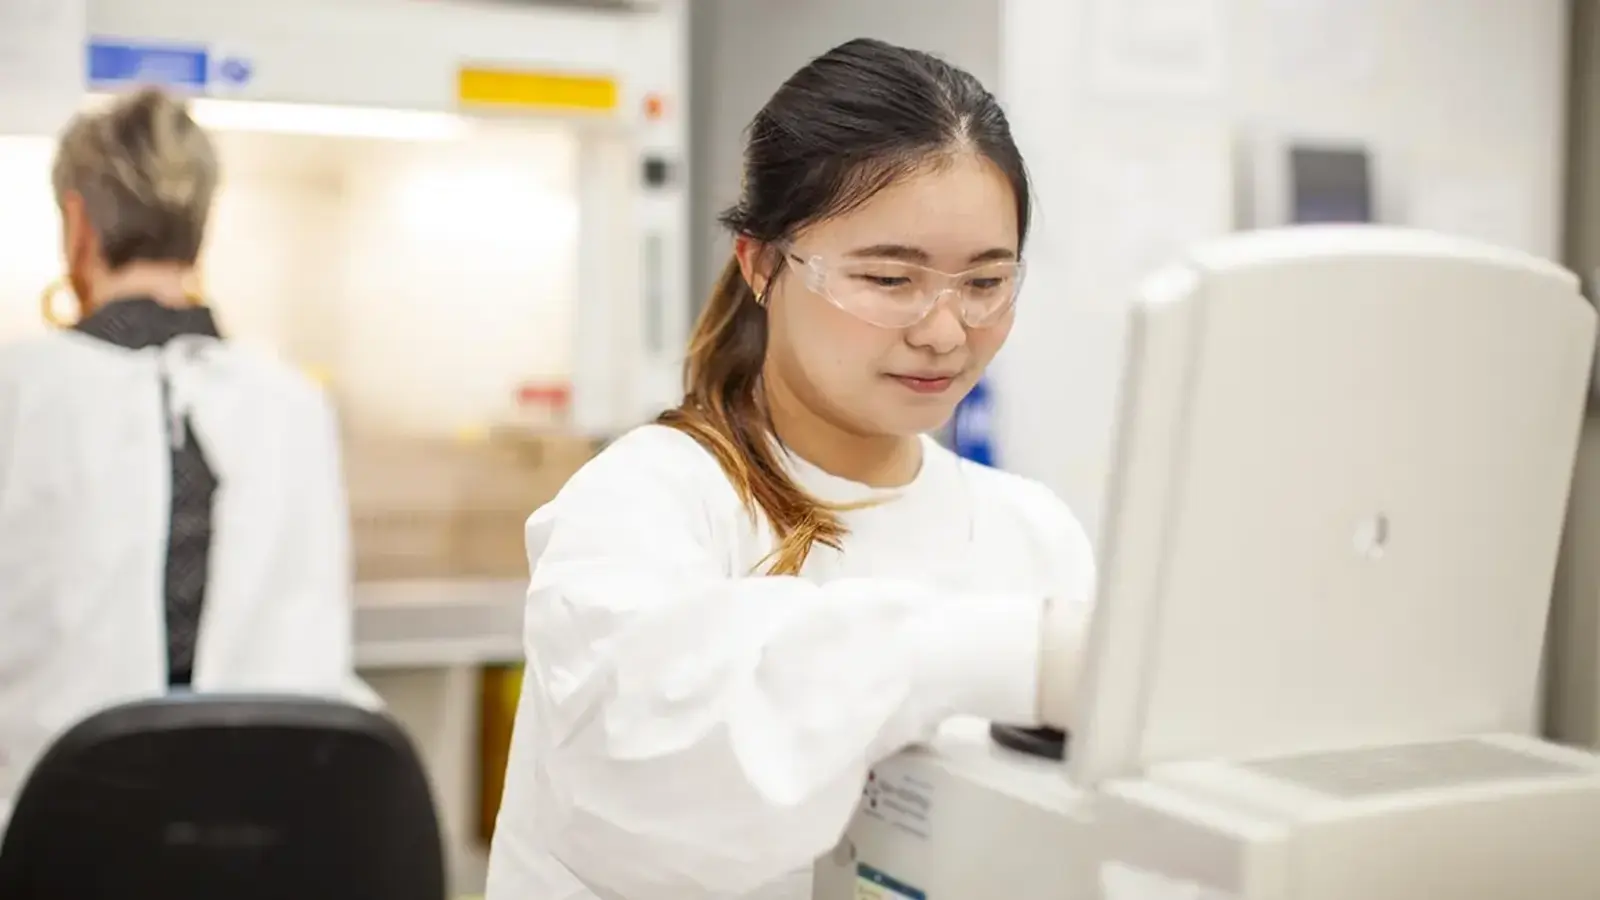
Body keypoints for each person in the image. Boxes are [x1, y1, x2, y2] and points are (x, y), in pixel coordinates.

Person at [485, 38, 1096, 900]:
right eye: (890, 278)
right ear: (762, 263)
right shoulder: (650, 500)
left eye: (987, 282)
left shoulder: (1034, 532)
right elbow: (656, 781)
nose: (945, 331)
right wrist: (1007, 652)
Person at [0, 89, 365, 827]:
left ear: (76, 225)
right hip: (269, 846)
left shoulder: (18, 393)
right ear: (201, 229)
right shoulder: (293, 403)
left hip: (57, 851)